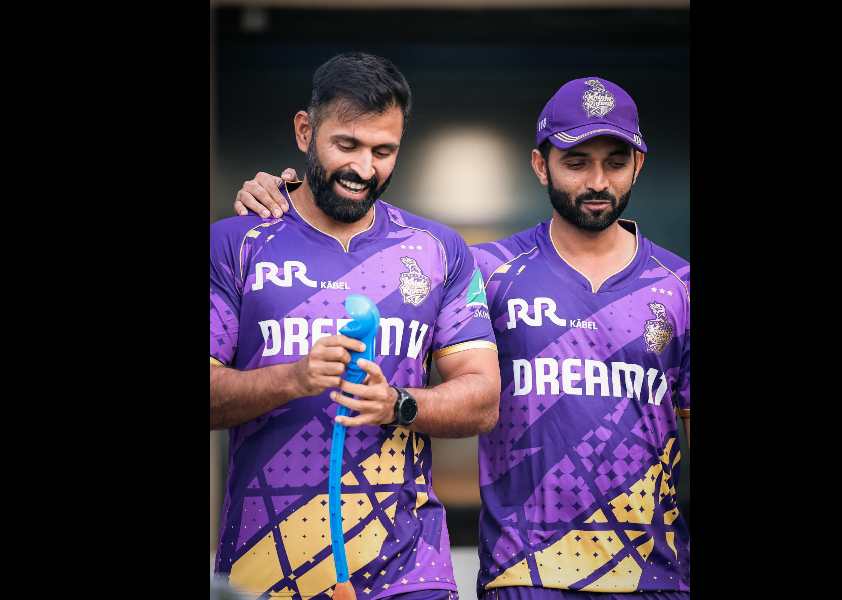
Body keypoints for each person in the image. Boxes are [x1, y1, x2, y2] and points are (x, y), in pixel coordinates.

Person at [236, 76, 690, 599]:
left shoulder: (680, 285)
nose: (597, 181)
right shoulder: (486, 270)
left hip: (656, 575)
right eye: (576, 161)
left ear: (639, 165)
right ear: (540, 165)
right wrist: (283, 195)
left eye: (615, 162)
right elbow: (361, 240)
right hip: (524, 575)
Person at [211, 52, 501, 600]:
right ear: (305, 130)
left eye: (383, 151)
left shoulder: (438, 250)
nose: (364, 169)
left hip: (410, 572)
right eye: (347, 145)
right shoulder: (236, 243)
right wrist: (293, 378)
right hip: (267, 568)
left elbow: (483, 398)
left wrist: (399, 404)